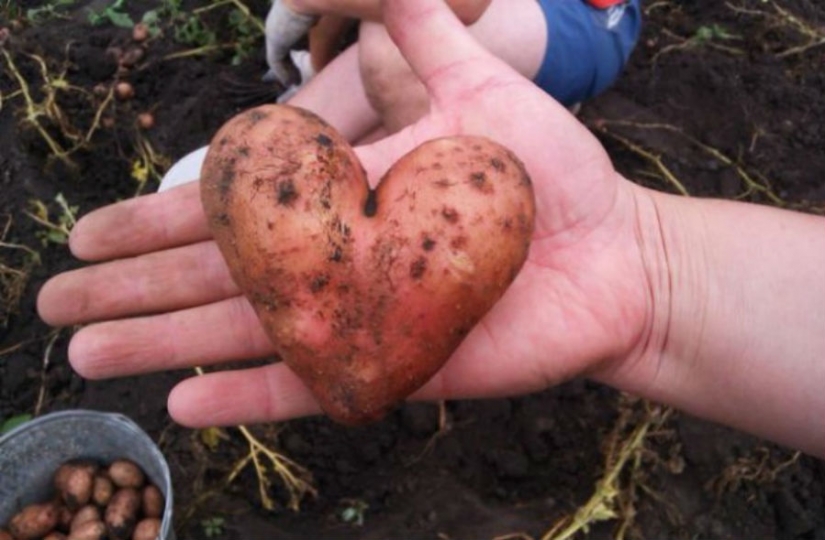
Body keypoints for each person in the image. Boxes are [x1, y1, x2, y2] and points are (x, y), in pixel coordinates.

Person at [37, 0, 825, 460]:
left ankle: (383, 147)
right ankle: (290, 167)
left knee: (390, 53)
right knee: (325, 99)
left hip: (581, 22)